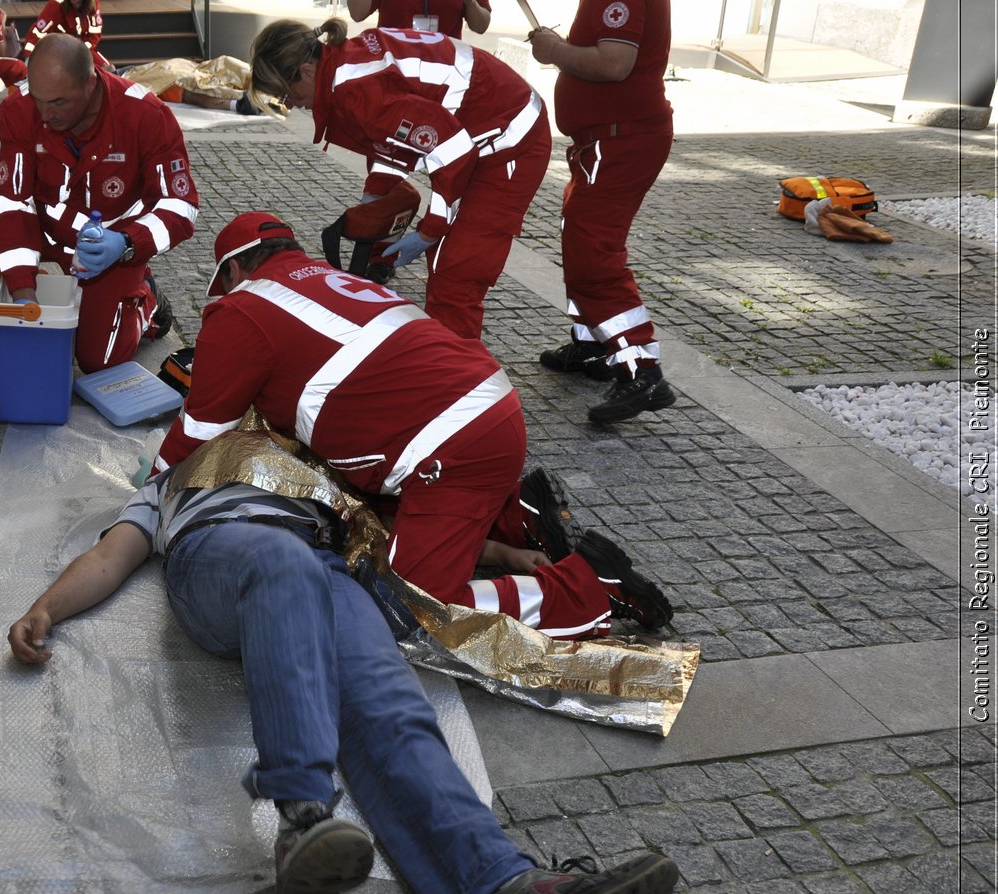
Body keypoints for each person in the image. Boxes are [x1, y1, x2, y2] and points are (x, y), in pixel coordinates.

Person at [5, 432, 681, 894]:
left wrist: (506, 552)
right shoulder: (173, 476)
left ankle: (499, 888)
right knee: (281, 561)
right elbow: (111, 558)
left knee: (390, 705)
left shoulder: (318, 461)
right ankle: (302, 816)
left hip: (326, 570)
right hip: (218, 564)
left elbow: (402, 530)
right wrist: (45, 609)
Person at [153, 212, 673, 637]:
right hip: (484, 411)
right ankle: (515, 515)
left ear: (235, 272)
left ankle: (584, 587)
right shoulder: (326, 281)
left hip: (449, 450)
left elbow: (199, 436)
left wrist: (152, 488)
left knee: (407, 608)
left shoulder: (242, 310)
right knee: (367, 501)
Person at [248, 19, 549, 340]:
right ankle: (447, 365)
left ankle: (457, 376)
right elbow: (395, 139)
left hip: (510, 138)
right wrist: (376, 198)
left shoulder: (356, 91)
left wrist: (431, 230)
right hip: (486, 124)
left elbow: (452, 150)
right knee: (448, 263)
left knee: (457, 274)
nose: (291, 104)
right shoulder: (345, 65)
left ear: (306, 71)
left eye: (285, 93)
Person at [0, 35, 194, 374]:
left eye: (58, 102)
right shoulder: (20, 109)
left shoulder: (145, 116)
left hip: (109, 248)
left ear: (90, 83)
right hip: (44, 227)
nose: (44, 114)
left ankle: (147, 301)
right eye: (39, 100)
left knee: (98, 363)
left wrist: (126, 243)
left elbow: (181, 206)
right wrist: (25, 298)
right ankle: (49, 298)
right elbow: (14, 203)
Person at [529, 0, 677, 424]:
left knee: (592, 255)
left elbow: (615, 63)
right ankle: (596, 345)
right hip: (606, 140)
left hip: (619, 140)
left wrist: (553, 49)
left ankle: (641, 370)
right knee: (582, 242)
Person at [21, 0, 112, 71]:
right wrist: (30, 59)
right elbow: (35, 34)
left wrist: (82, 50)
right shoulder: (55, 5)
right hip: (57, 52)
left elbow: (94, 35)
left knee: (107, 70)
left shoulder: (93, 3)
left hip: (82, 49)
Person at [345, 0, 492, 38]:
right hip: (393, 66)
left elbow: (481, 26)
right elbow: (357, 14)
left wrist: (471, 3)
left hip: (444, 70)